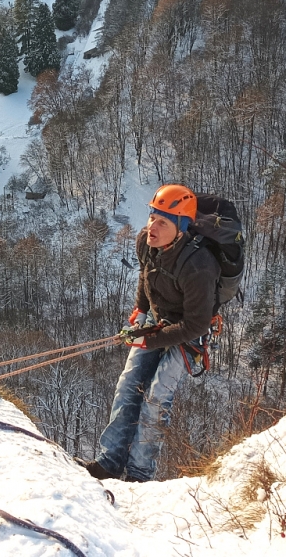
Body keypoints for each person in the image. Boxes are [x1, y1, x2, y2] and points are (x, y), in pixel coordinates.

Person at [84, 183, 220, 483]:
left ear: (182, 229)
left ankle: (139, 475)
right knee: (127, 385)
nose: (152, 227)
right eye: (151, 217)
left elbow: (196, 325)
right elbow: (147, 275)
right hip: (158, 321)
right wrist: (140, 311)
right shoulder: (146, 241)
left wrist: (149, 338)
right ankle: (109, 462)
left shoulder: (199, 266)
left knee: (156, 398)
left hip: (189, 334)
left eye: (162, 222)